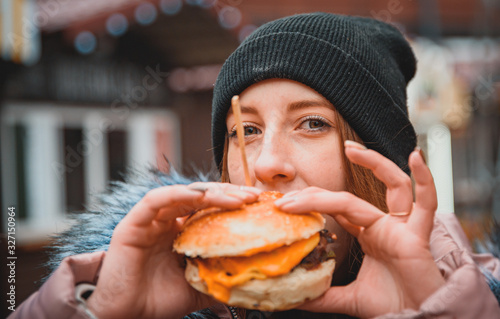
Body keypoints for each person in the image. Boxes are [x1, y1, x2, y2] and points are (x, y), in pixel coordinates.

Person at [10, 12, 500, 319]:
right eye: (244, 130)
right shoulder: (160, 287)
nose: (266, 164)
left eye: (311, 123)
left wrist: (436, 312)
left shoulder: (474, 299)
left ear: (379, 163)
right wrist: (101, 313)